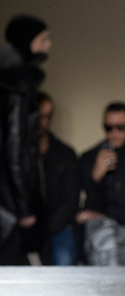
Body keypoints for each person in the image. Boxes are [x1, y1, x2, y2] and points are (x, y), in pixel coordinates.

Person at [0, 14, 51, 264]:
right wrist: (24, 209)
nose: (48, 45)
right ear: (27, 42)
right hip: (10, 204)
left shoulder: (11, 80)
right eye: (44, 39)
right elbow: (14, 150)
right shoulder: (16, 85)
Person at [78, 102, 125, 266]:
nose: (114, 132)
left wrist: (105, 215)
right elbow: (87, 204)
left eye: (120, 127)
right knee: (105, 237)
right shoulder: (89, 157)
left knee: (108, 238)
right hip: (101, 230)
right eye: (109, 127)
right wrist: (95, 177)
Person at [37, 91, 79, 265]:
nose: (41, 122)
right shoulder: (17, 155)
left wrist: (46, 229)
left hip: (59, 226)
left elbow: (71, 201)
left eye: (46, 116)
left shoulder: (65, 154)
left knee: (64, 257)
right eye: (38, 116)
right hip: (24, 227)